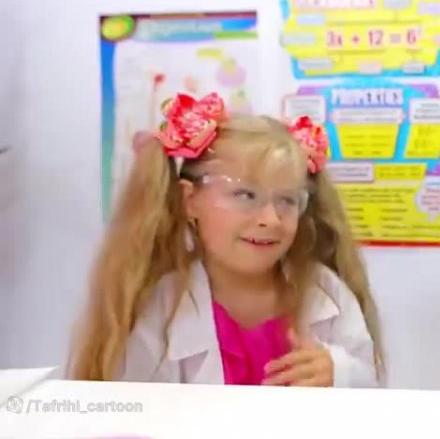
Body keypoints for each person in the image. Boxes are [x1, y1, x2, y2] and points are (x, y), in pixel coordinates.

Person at [70, 92, 383, 388]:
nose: (271, 219)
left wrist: (339, 373)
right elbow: (133, 406)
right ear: (190, 200)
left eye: (287, 200)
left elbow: (371, 386)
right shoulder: (163, 304)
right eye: (245, 195)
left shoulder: (326, 291)